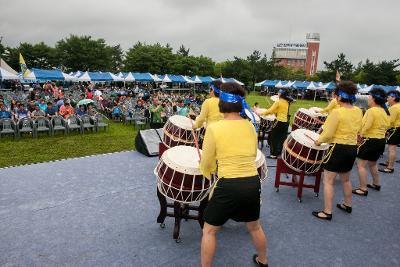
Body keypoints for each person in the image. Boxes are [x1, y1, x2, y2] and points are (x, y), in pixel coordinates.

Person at [200, 82, 268, 267]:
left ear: (221, 104)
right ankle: (263, 260)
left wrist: (208, 171)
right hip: (252, 182)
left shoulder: (214, 128)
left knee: (209, 231)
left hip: (229, 184)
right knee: (255, 226)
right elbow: (252, 155)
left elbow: (206, 163)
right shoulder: (250, 127)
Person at [312, 81, 363, 220]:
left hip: (337, 148)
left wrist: (317, 141)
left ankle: (327, 212)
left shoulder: (337, 112)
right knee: (346, 179)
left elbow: (327, 134)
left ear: (339, 97)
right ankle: (348, 204)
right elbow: (360, 130)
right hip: (352, 148)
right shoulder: (358, 111)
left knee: (328, 181)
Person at [353, 88, 389, 195]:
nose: (368, 99)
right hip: (381, 141)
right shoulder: (384, 111)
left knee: (361, 165)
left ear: (374, 99)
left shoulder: (371, 111)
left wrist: (359, 136)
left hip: (370, 140)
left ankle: (363, 188)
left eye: (369, 97)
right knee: (373, 164)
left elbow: (365, 126)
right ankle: (376, 183)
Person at [258, 88, 292, 159]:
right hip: (285, 123)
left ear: (281, 94)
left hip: (278, 122)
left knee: (273, 138)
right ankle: (280, 153)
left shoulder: (278, 102)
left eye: (279, 92)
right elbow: (276, 111)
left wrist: (260, 113)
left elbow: (270, 111)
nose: (277, 93)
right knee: (281, 138)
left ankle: (273, 154)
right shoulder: (287, 102)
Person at [379, 90, 400, 173]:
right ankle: (388, 162)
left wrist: (383, 129)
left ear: (394, 97)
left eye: (388, 97)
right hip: (397, 128)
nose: (387, 99)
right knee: (391, 147)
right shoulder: (398, 105)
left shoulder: (394, 108)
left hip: (395, 129)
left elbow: (389, 122)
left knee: (392, 148)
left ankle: (390, 167)